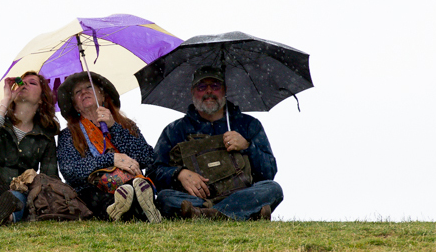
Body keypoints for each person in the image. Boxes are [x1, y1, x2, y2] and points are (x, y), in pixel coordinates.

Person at [148, 66, 283, 221]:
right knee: (165, 198)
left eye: (215, 86)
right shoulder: (175, 130)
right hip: (196, 199)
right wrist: (179, 174)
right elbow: (153, 172)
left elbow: (269, 171)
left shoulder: (249, 125)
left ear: (225, 91)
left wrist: (247, 146)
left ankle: (205, 214)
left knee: (273, 189)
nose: (209, 92)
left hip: (239, 194)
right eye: (202, 87)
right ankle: (240, 213)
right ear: (192, 92)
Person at [56, 72, 161, 223]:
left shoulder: (126, 125)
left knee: (134, 187)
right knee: (93, 196)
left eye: (89, 87)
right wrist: (112, 159)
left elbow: (147, 157)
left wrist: (114, 127)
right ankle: (131, 208)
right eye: (78, 92)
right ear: (75, 105)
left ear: (103, 96)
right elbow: (70, 170)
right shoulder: (68, 135)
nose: (84, 92)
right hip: (93, 191)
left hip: (128, 182)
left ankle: (130, 206)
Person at [0, 71, 60, 226]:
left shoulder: (45, 135)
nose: (24, 84)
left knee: (18, 198)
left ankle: (5, 216)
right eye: (21, 82)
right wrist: (5, 100)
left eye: (32, 83)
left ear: (41, 99)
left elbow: (49, 176)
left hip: (20, 190)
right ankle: (0, 204)